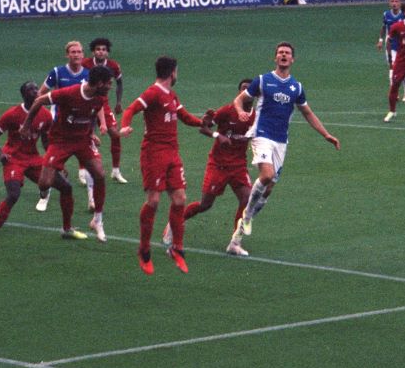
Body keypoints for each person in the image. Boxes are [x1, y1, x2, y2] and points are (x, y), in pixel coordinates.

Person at [229, 43, 340, 251]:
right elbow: (239, 100)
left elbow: (308, 113)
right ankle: (247, 216)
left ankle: (236, 240)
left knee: (269, 189)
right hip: (261, 134)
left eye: (287, 53)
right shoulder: (263, 80)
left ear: (292, 60)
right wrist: (240, 111)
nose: (283, 55)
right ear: (275, 58)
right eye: (280, 52)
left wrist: (326, 134)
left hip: (281, 141)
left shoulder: (296, 88)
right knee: (267, 175)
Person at [120, 56, 212, 275]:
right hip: (154, 153)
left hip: (172, 154)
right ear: (172, 72)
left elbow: (184, 117)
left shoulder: (171, 95)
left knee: (180, 199)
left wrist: (204, 122)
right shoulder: (152, 93)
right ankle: (144, 250)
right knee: (153, 201)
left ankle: (177, 249)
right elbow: (130, 109)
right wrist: (125, 127)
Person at [21, 65, 116, 241]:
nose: (111, 86)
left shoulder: (100, 97)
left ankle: (97, 220)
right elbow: (39, 101)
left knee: (100, 174)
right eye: (108, 83)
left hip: (83, 141)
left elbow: (91, 116)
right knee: (44, 183)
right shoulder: (68, 93)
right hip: (60, 141)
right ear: (99, 83)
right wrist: (26, 125)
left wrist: (92, 134)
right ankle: (46, 188)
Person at [164, 78, 256, 256]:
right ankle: (174, 223)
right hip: (218, 165)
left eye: (249, 90)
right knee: (206, 204)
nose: (246, 93)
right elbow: (203, 127)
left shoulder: (256, 115)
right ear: (239, 92)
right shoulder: (227, 111)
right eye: (243, 89)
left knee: (247, 199)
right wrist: (216, 134)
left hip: (238, 166)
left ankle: (235, 242)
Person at [0, 81, 73, 248]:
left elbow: (47, 142)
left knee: (66, 187)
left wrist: (57, 162)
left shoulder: (45, 115)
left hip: (33, 159)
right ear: (24, 95)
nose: (36, 91)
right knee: (13, 195)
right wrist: (1, 154)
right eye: (31, 89)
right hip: (13, 159)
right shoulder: (12, 114)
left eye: (36, 88)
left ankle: (67, 229)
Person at [37, 40, 89, 209]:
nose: (76, 54)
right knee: (51, 164)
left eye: (79, 52)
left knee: (91, 161)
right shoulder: (57, 73)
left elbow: (97, 100)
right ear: (67, 55)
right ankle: (45, 194)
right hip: (58, 125)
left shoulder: (89, 75)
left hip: (81, 125)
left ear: (83, 54)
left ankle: (92, 199)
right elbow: (41, 93)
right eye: (73, 52)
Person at [81, 37, 127, 184]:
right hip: (87, 102)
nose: (100, 52)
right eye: (98, 49)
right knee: (85, 135)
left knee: (115, 134)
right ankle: (82, 170)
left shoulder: (113, 66)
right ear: (93, 51)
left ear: (107, 52)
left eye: (103, 49)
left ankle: (116, 171)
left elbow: (119, 83)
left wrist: (119, 102)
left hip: (104, 103)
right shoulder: (85, 64)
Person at [377, 0, 405, 102]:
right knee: (393, 68)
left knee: (404, 70)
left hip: (404, 46)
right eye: (392, 1)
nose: (394, 3)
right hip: (391, 45)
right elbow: (383, 27)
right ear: (389, 3)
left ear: (400, 3)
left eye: (396, 1)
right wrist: (381, 40)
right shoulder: (386, 14)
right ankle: (394, 92)